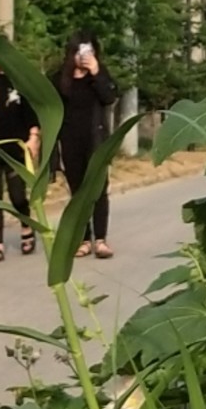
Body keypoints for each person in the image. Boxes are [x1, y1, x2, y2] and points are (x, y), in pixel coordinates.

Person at [54, 34, 119, 259]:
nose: (84, 57)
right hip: (70, 140)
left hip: (96, 140)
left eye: (89, 52)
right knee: (78, 191)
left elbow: (109, 97)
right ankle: (83, 239)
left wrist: (96, 72)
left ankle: (100, 240)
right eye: (80, 52)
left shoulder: (99, 74)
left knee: (98, 189)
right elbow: (51, 108)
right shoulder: (60, 78)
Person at [0, 66, 39, 261]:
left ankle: (26, 227)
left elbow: (32, 115)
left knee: (18, 197)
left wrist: (33, 137)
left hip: (15, 151)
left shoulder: (20, 85)